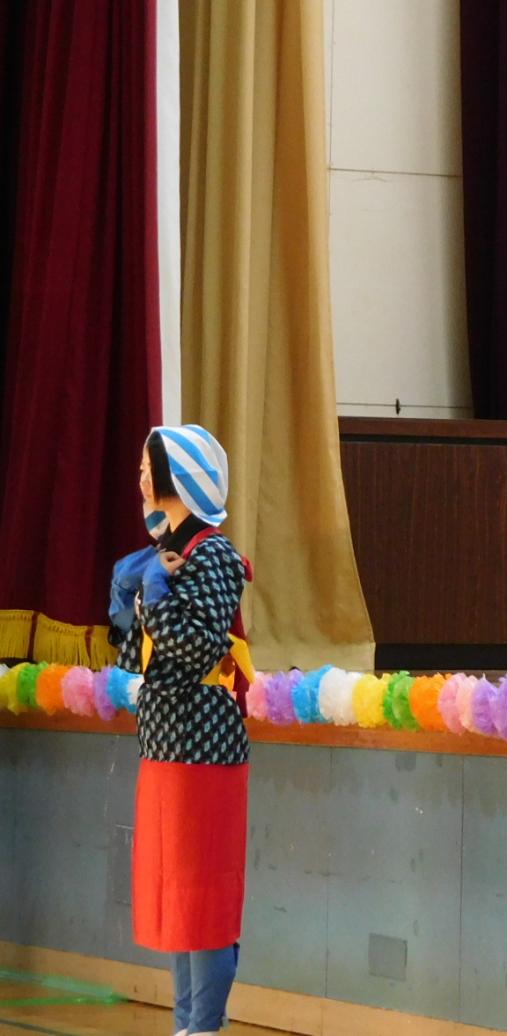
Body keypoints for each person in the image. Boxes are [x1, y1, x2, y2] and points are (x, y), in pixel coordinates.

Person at [110, 425, 254, 1036]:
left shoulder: (214, 555)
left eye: (149, 467)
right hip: (165, 746)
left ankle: (205, 1026)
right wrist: (127, 607)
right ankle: (185, 1027)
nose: (140, 477)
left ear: (179, 479)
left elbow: (196, 650)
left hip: (205, 749)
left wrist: (153, 594)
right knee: (174, 898)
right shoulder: (163, 557)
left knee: (205, 900)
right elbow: (130, 660)